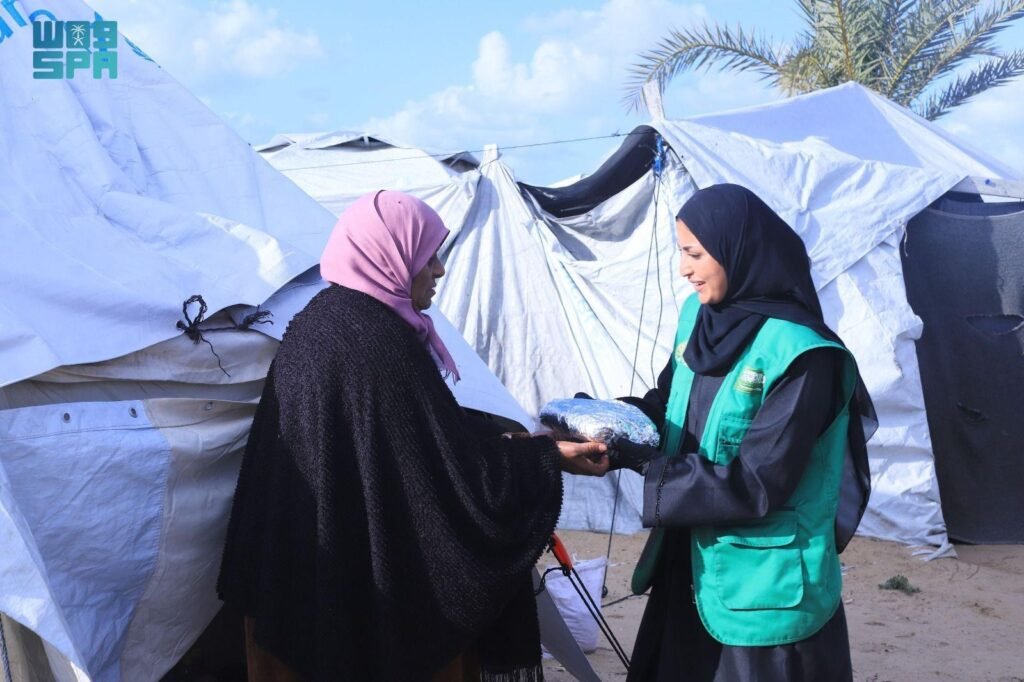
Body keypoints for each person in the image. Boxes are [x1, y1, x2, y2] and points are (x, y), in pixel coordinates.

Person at [216, 190, 608, 682]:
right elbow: (450, 474)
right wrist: (545, 459)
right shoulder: (377, 338)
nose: (439, 270)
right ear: (391, 256)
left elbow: (415, 443)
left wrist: (528, 448)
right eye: (428, 257)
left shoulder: (321, 320)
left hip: (301, 584)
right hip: (364, 605)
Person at [609, 184, 877, 682]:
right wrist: (610, 426)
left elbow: (758, 481)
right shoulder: (699, 316)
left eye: (695, 254)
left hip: (763, 590)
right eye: (681, 253)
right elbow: (671, 404)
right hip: (692, 565)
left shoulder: (802, 354)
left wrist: (643, 464)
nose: (683, 269)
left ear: (738, 250)